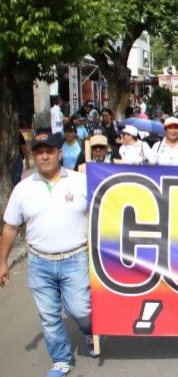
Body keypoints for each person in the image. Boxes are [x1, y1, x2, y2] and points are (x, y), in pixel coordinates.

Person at [0, 130, 96, 377]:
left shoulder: (80, 181)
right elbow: (10, 227)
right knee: (49, 315)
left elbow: (104, 211)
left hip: (76, 259)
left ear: (59, 154)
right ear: (33, 156)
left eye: (49, 151)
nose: (44, 157)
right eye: (39, 152)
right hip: (39, 262)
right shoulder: (22, 189)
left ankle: (90, 332)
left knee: (81, 312)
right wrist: (2, 261)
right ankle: (62, 359)